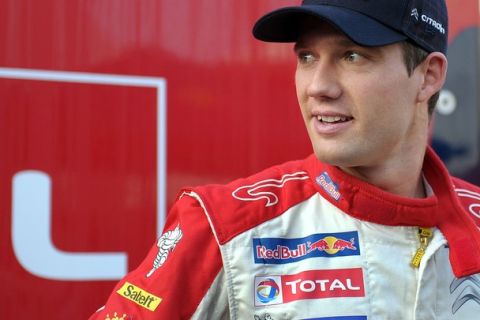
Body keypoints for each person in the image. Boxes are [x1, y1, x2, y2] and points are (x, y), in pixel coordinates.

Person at [90, 1, 480, 319]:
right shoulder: (223, 228)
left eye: (352, 56)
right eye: (308, 56)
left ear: (428, 76)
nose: (318, 87)